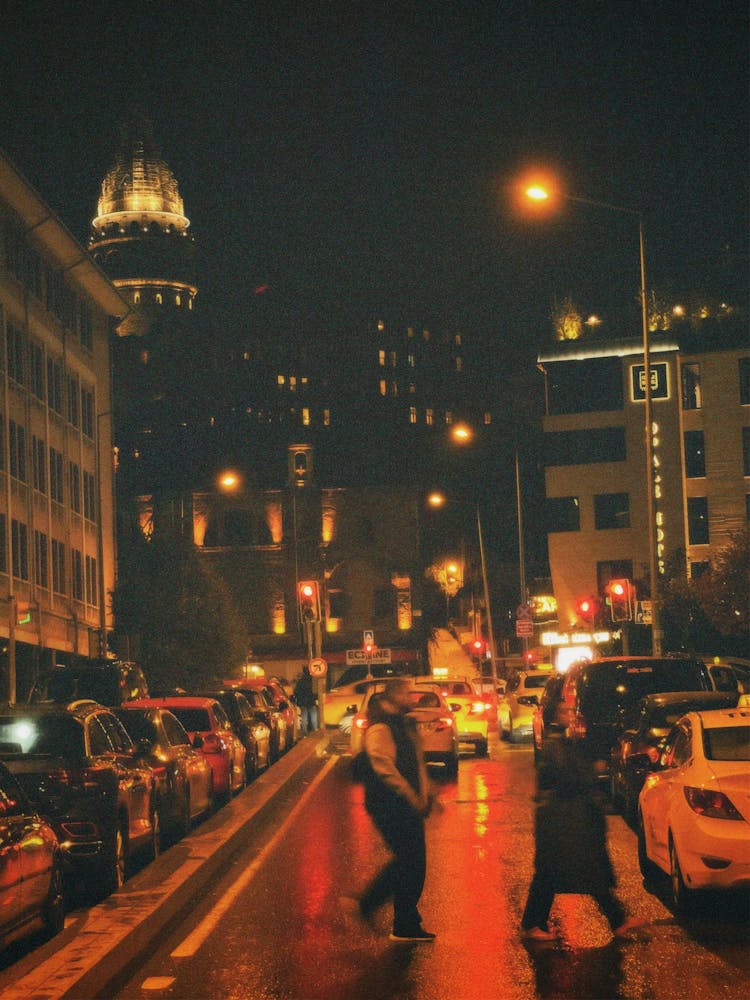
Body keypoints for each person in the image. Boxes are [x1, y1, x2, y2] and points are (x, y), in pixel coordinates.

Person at [521, 739, 644, 942]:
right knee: (575, 868)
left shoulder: (563, 742)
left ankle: (618, 919)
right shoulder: (555, 743)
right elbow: (566, 778)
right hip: (565, 819)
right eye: (564, 710)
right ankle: (533, 924)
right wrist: (592, 769)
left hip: (567, 818)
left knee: (566, 870)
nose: (570, 714)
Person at [352, 678, 438, 942]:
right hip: (388, 803)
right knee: (408, 860)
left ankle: (405, 921)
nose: (410, 698)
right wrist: (411, 795)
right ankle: (369, 906)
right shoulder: (380, 727)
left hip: (406, 803)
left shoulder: (403, 724)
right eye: (405, 694)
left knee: (413, 862)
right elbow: (384, 768)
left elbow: (416, 763)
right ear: (391, 698)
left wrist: (427, 792)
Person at [293, 664, 317, 734]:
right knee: (313, 718)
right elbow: (315, 691)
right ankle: (315, 731)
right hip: (311, 702)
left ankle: (305, 733)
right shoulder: (313, 680)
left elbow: (296, 692)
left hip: (303, 702)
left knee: (304, 718)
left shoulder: (300, 682)